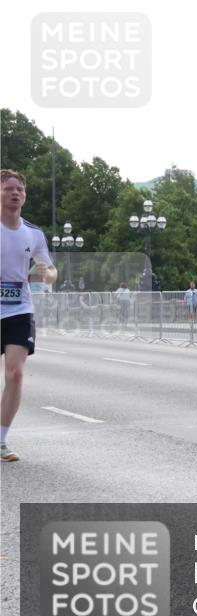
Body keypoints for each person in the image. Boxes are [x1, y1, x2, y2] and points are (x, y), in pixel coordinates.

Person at [1, 169, 58, 462]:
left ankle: (1, 440)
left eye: (19, 190)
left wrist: (45, 275)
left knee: (16, 373)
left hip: (19, 308)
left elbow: (50, 269)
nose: (14, 193)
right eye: (9, 188)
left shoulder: (32, 233)